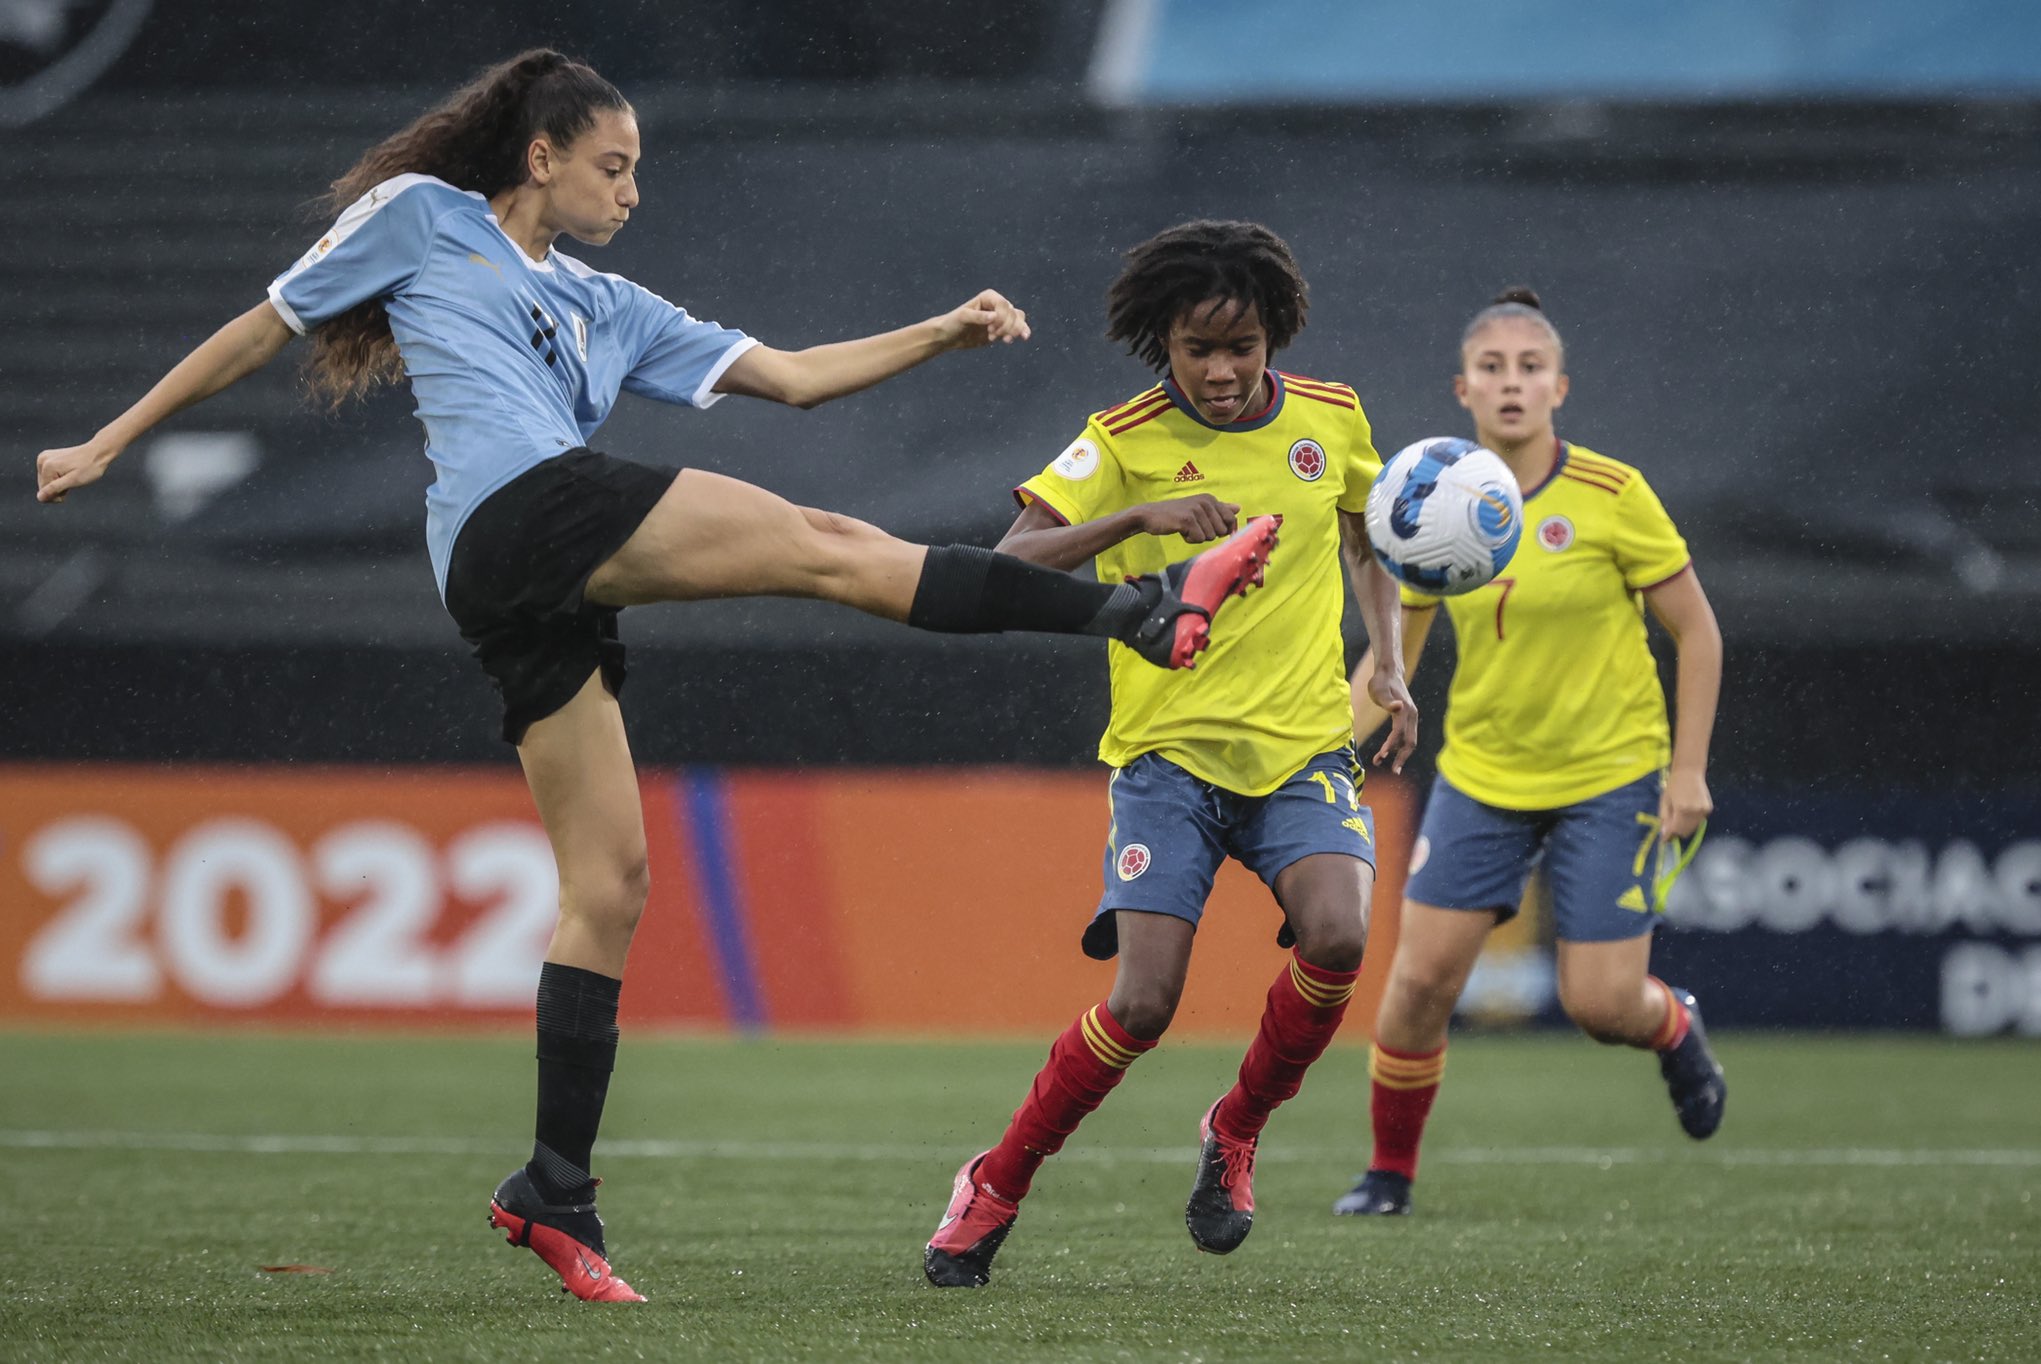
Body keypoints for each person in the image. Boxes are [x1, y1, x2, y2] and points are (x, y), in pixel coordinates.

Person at [32, 51, 1283, 1304]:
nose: (630, 191)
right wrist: (112, 437)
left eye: (636, 170)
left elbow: (790, 378)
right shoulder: (428, 217)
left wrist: (942, 331)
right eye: (611, 165)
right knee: (835, 550)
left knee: (610, 884)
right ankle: (1138, 612)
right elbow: (269, 321)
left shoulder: (608, 303)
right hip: (516, 515)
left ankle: (552, 1189)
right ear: (541, 156)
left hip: (528, 583)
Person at [922, 219, 1419, 1288]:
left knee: (1336, 936)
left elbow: (1363, 533)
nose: (1225, 368)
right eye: (1199, 348)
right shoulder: (1120, 437)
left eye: (1241, 345)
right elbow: (1004, 563)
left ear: (1271, 333)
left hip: (1299, 753)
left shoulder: (1331, 419)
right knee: (1143, 1003)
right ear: (1162, 343)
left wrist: (1384, 657)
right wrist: (1135, 515)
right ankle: (995, 1180)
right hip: (1167, 761)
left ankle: (1234, 1128)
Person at [1331, 287, 1727, 1220]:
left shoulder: (1612, 495)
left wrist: (1688, 770)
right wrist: (1316, 757)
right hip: (1483, 777)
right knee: (1420, 982)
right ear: (1463, 389)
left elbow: (1698, 634)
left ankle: (1675, 1030)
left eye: (1530, 368)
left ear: (1560, 387)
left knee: (1600, 1005)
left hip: (1610, 774)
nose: (1512, 384)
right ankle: (1389, 1175)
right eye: (1494, 369)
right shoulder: (1430, 503)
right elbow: (1391, 664)